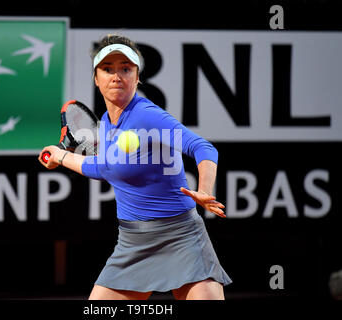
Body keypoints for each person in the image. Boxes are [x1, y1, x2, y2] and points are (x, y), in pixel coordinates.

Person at [39, 34, 232, 300]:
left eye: (125, 69)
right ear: (96, 79)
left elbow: (203, 147)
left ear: (137, 77)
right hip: (133, 243)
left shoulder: (148, 116)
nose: (116, 76)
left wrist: (204, 190)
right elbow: (102, 167)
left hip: (181, 237)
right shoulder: (106, 124)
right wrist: (60, 156)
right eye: (107, 69)